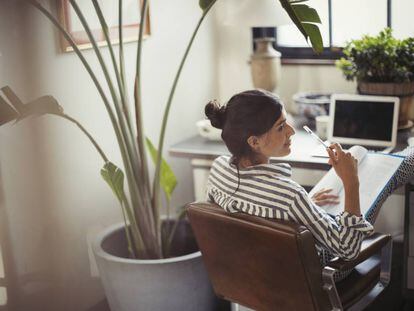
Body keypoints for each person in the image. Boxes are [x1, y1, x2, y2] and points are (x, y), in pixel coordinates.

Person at [204, 89, 414, 281]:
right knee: (386, 178)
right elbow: (347, 250)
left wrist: (301, 207)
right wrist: (351, 182)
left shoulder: (218, 169)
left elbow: (239, 218)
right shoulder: (289, 196)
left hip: (255, 275)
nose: (291, 131)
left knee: (365, 179)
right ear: (254, 142)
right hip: (315, 274)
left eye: (286, 122)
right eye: (280, 127)